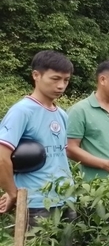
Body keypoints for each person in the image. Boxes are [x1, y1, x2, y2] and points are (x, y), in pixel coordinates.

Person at [0, 50, 76, 231]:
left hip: (67, 199)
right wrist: (13, 193)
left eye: (65, 80)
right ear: (36, 75)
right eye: (55, 79)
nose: (61, 86)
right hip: (37, 203)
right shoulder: (22, 111)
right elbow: (2, 157)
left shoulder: (62, 114)